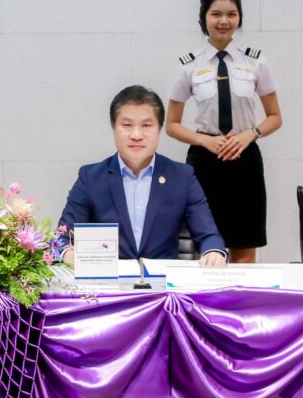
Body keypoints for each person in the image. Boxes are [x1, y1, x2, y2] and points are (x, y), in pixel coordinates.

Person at [165, 0, 282, 264]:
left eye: (231, 14)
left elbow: (275, 117)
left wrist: (250, 135)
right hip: (205, 159)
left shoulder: (255, 61)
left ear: (239, 18)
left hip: (244, 158)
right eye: (216, 14)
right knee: (205, 244)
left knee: (245, 243)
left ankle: (242, 293)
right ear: (204, 17)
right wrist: (204, 140)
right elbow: (171, 124)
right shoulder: (189, 65)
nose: (224, 21)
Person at [60, 86, 227, 266]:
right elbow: (62, 237)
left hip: (164, 280)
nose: (136, 135)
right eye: (127, 125)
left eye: (146, 125)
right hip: (110, 280)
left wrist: (213, 253)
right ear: (113, 127)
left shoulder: (182, 177)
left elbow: (209, 236)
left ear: (159, 128)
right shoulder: (91, 178)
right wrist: (68, 254)